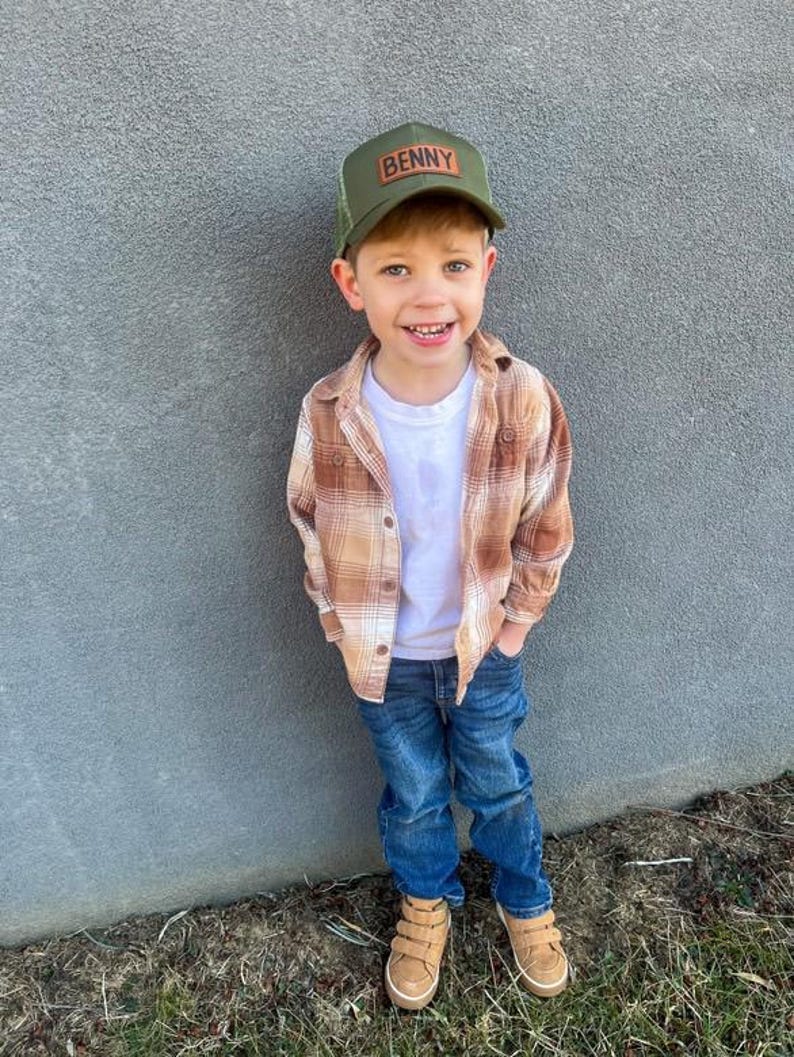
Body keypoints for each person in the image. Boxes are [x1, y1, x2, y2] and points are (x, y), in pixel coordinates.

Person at [287, 121, 574, 1011]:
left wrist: (516, 627)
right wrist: (340, 632)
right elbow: (310, 523)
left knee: (497, 780)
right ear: (351, 283)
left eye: (453, 264)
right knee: (413, 795)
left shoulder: (521, 395)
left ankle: (525, 897)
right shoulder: (332, 410)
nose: (429, 294)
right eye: (397, 268)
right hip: (386, 663)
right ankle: (425, 902)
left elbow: (547, 522)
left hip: (484, 647)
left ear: (487, 268)